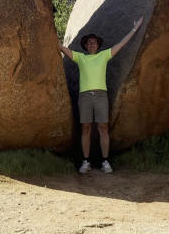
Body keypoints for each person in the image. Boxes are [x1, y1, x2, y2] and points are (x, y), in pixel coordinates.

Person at [59, 17, 143, 174]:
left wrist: (135, 28)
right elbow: (63, 49)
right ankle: (86, 161)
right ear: (85, 46)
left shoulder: (104, 55)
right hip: (84, 96)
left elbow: (121, 44)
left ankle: (105, 161)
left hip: (100, 96)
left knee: (103, 127)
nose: (92, 45)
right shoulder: (81, 57)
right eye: (89, 43)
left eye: (94, 42)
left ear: (98, 46)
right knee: (86, 128)